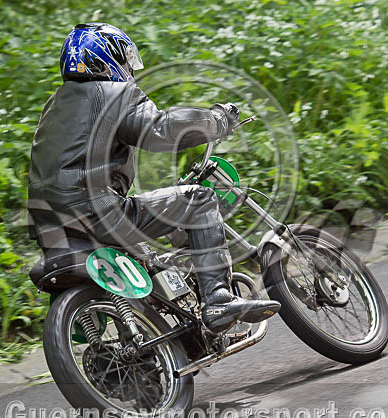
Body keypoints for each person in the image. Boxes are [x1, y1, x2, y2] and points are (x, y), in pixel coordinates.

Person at [27, 22, 279, 333]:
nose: (128, 70)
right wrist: (217, 120)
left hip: (50, 227)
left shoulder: (52, 108)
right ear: (106, 58)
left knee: (148, 260)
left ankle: (155, 347)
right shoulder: (113, 93)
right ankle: (217, 299)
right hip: (97, 210)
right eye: (124, 60)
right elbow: (160, 129)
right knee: (198, 200)